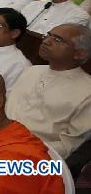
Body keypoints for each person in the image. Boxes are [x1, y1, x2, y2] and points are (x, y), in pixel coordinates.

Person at [6, 23, 91, 158]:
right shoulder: (32, 71)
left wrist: (19, 149)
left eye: (57, 40)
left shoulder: (87, 92)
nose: (45, 41)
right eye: (48, 35)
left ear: (79, 54)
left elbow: (70, 146)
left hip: (32, 156)